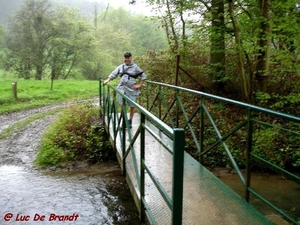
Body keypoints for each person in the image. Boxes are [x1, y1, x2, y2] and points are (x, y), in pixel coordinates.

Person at [103, 52, 147, 128]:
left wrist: (139, 85)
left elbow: (143, 76)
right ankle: (124, 121)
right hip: (121, 88)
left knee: (132, 106)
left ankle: (130, 121)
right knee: (122, 105)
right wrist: (108, 80)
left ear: (131, 58)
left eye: (128, 58)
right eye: (125, 58)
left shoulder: (135, 67)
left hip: (131, 89)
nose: (126, 59)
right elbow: (114, 73)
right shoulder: (121, 66)